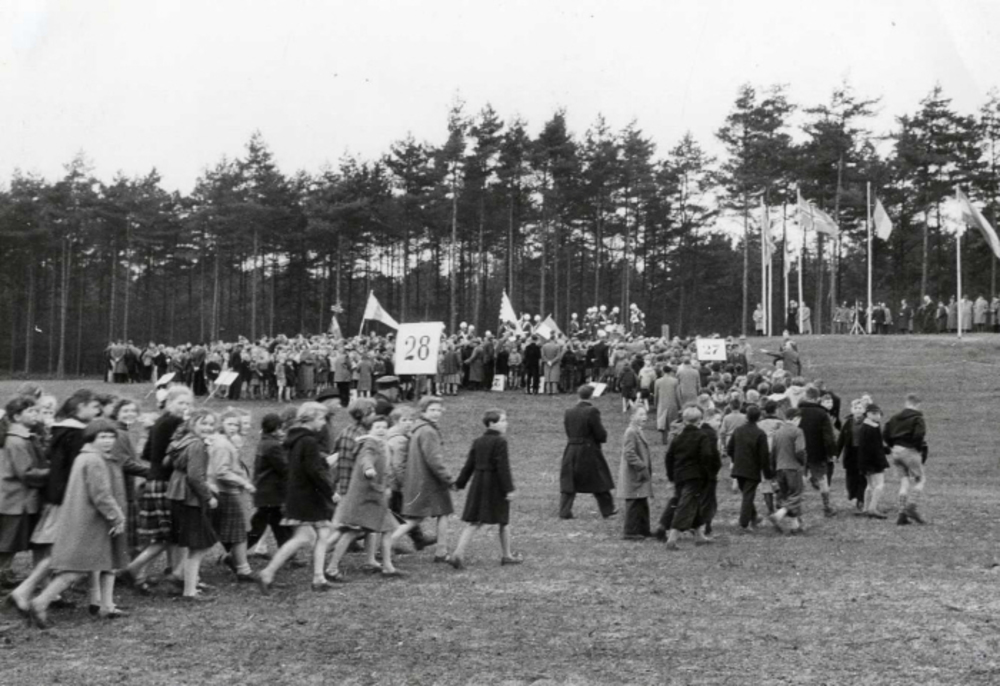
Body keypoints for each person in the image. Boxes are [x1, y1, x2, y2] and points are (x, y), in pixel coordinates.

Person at [27, 419, 128, 628]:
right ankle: (41, 602)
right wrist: (117, 517)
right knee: (76, 568)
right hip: (87, 522)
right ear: (91, 437)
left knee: (77, 568)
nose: (108, 441)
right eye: (102, 437)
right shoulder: (93, 460)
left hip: (82, 520)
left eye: (111, 437)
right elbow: (101, 495)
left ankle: (43, 602)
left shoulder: (85, 457)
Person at [257, 402, 335, 594]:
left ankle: (319, 577)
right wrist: (330, 492)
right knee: (304, 537)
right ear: (310, 419)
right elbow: (314, 470)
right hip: (307, 496)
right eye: (321, 418)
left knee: (322, 533)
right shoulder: (308, 441)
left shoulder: (294, 439)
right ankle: (267, 572)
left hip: (300, 494)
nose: (323, 423)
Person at [124, 385, 192, 593]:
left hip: (154, 481)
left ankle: (172, 575)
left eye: (188, 403)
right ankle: (133, 569)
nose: (185, 407)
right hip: (166, 482)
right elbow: (169, 458)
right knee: (168, 534)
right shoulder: (175, 423)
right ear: (169, 402)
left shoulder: (159, 422)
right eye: (181, 402)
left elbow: (146, 453)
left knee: (167, 533)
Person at [324, 415, 402, 585]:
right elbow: (367, 458)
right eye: (377, 427)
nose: (381, 430)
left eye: (384, 427)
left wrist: (387, 486)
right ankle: (331, 568)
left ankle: (387, 566)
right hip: (363, 497)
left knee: (387, 528)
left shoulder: (383, 445)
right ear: (370, 430)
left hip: (375, 496)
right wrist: (369, 469)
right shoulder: (370, 443)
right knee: (352, 531)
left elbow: (386, 470)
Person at [449, 409, 521, 568]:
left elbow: (469, 465)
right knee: (503, 520)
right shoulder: (500, 442)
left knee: (475, 521)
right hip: (495, 485)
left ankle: (458, 553)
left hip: (479, 483)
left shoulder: (478, 441)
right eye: (502, 421)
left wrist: (459, 483)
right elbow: (502, 467)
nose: (506, 424)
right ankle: (507, 555)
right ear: (492, 424)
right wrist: (509, 489)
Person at [389, 396, 454, 561]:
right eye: (432, 410)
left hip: (419, 479)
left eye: (438, 410)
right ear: (423, 411)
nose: (436, 413)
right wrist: (448, 478)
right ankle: (440, 551)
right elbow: (434, 459)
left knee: (425, 516)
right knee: (436, 513)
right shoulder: (428, 431)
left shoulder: (419, 428)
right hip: (428, 480)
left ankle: (441, 550)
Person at [165, 409, 219, 599]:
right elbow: (195, 477)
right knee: (199, 545)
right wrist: (208, 496)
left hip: (177, 495)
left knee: (195, 544)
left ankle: (187, 580)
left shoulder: (183, 441)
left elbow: (169, 463)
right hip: (189, 499)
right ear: (192, 424)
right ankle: (189, 590)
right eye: (203, 423)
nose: (208, 427)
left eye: (211, 424)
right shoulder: (197, 444)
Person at [0, 396, 46, 588]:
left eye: (36, 411)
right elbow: (26, 473)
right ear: (17, 416)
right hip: (15, 501)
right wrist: (54, 473)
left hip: (17, 500)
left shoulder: (24, 437)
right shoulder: (17, 441)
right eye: (31, 411)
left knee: (10, 542)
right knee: (8, 542)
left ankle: (4, 574)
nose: (36, 414)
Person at [208, 410, 256, 582]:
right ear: (221, 424)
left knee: (236, 532)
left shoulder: (223, 441)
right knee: (238, 532)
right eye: (229, 424)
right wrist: (243, 482)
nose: (233, 428)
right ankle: (243, 570)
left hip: (225, 491)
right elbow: (222, 471)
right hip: (226, 492)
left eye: (236, 424)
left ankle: (242, 568)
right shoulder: (222, 444)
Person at [558, 385, 616, 520]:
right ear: (591, 396)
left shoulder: (569, 411)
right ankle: (608, 509)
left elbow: (568, 430)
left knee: (569, 481)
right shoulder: (592, 411)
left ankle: (564, 510)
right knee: (599, 479)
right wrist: (602, 437)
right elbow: (599, 433)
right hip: (588, 450)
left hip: (571, 448)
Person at [662, 407, 717, 549]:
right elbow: (706, 456)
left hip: (679, 476)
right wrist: (706, 474)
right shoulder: (702, 436)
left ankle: (699, 535)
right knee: (685, 506)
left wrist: (671, 475)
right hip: (695, 476)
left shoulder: (678, 437)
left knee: (693, 502)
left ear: (684, 421)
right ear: (699, 421)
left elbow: (669, 457)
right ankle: (672, 538)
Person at [246, 413, 292, 554]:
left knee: (279, 527)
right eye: (280, 428)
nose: (282, 432)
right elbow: (284, 468)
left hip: (266, 493)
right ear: (276, 428)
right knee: (258, 528)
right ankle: (233, 554)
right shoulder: (273, 446)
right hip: (271, 494)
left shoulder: (264, 442)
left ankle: (288, 555)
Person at [883, 394, 928, 525]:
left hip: (896, 451)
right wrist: (917, 447)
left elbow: (885, 433)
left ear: (906, 403)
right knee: (920, 479)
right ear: (917, 404)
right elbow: (919, 434)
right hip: (909, 450)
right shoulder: (917, 418)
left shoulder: (894, 417)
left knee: (904, 482)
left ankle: (901, 514)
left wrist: (892, 444)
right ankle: (911, 506)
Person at [727, 405, 772, 530]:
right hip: (752, 469)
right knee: (748, 495)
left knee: (747, 494)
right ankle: (744, 523)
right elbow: (764, 456)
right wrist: (767, 473)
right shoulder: (760, 434)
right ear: (759, 418)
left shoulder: (738, 430)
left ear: (746, 416)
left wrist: (735, 459)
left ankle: (754, 517)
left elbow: (730, 448)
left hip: (739, 467)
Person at [798, 386, 837, 517]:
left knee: (802, 477)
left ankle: (796, 505)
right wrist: (832, 452)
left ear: (805, 396)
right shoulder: (822, 413)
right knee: (822, 478)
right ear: (817, 398)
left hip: (800, 450)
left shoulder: (797, 411)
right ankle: (826, 506)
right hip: (817, 451)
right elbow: (829, 436)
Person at [767, 408, 806, 534]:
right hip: (793, 468)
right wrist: (803, 462)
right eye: (799, 419)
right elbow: (800, 450)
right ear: (795, 418)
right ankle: (779, 514)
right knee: (796, 494)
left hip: (780, 467)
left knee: (786, 496)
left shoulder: (777, 432)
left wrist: (773, 469)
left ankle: (794, 526)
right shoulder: (798, 431)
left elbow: (773, 453)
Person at [618, 405, 653, 539]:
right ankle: (630, 532)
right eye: (641, 414)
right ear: (632, 417)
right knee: (633, 502)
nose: (645, 417)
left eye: (645, 414)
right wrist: (641, 466)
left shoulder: (638, 430)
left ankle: (644, 529)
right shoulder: (631, 432)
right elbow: (629, 452)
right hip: (634, 473)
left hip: (639, 473)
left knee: (642, 501)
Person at [858, 404, 889, 519]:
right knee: (880, 484)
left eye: (879, 414)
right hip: (874, 462)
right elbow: (876, 447)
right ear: (867, 414)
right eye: (874, 414)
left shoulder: (863, 426)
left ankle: (866, 508)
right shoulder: (874, 428)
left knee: (870, 485)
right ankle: (872, 508)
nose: (878, 416)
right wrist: (882, 460)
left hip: (864, 461)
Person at [837, 400, 867, 511]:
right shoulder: (848, 423)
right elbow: (841, 439)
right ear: (851, 410)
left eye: (860, 408)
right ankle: (853, 494)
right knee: (851, 476)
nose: (858, 410)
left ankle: (861, 498)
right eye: (855, 408)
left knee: (862, 476)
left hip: (864, 453)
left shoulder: (868, 422)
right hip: (851, 453)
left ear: (864, 410)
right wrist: (836, 454)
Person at [653, 366, 681, 445]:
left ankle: (664, 440)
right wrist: (680, 405)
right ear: (670, 371)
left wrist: (656, 404)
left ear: (663, 371)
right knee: (673, 422)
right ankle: (673, 440)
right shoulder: (675, 381)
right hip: (672, 403)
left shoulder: (658, 381)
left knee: (663, 422)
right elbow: (678, 394)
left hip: (662, 403)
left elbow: (656, 394)